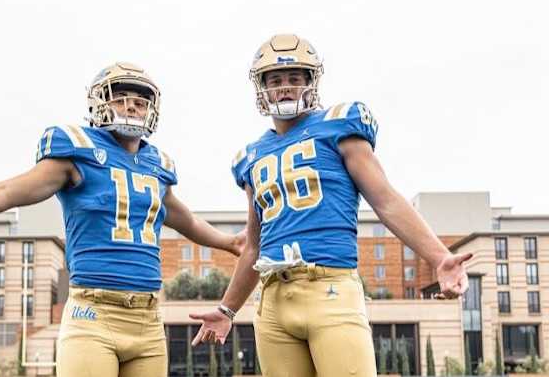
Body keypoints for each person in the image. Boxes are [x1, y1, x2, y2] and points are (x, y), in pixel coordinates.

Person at [0, 62, 245, 377]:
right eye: (120, 96)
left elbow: (183, 219)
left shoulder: (157, 165)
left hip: (148, 318)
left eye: (140, 99)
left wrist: (228, 242)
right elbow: (5, 192)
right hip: (94, 314)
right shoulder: (77, 149)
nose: (131, 104)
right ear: (99, 103)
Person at [189, 34, 472, 376]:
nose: (285, 87)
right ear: (262, 89)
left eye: (295, 78)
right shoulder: (251, 156)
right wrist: (228, 309)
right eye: (275, 80)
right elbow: (254, 246)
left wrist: (439, 257)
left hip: (331, 288)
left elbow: (385, 200)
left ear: (311, 82)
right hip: (273, 300)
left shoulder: (337, 125)